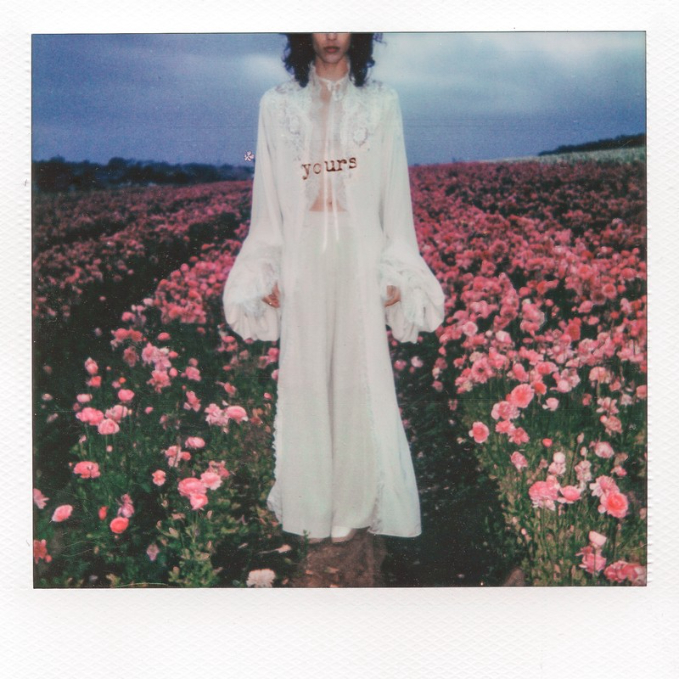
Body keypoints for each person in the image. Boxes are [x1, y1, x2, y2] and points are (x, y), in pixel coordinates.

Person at [222, 33, 444, 544]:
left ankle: (354, 502)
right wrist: (268, 267)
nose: (330, 35)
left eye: (342, 22)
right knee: (306, 376)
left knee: (357, 374)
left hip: (360, 254)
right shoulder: (276, 105)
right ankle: (312, 504)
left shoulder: (381, 103)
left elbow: (394, 191)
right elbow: (267, 197)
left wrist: (394, 267)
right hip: (301, 256)